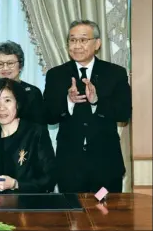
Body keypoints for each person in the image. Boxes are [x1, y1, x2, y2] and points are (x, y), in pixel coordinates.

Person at [43, 20, 132, 193]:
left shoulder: (115, 73)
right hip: (69, 166)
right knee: (73, 218)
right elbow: (48, 116)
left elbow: (123, 113)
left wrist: (97, 102)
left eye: (83, 40)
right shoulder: (56, 75)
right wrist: (68, 102)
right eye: (72, 40)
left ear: (97, 43)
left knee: (105, 215)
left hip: (106, 166)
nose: (77, 45)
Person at [0, 41, 44, 140]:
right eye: (0, 64)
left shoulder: (33, 93)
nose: (5, 68)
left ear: (20, 66)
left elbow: (39, 128)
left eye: (10, 63)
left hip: (25, 151)